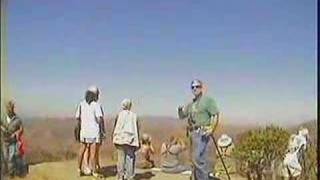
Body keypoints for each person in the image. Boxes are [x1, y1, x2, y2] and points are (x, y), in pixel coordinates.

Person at [178, 79, 220, 180]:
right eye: (192, 87)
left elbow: (215, 114)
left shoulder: (208, 100)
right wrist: (180, 110)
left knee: (198, 158)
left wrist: (212, 128)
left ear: (201, 88)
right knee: (195, 159)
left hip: (203, 132)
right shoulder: (191, 104)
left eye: (197, 86)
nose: (195, 89)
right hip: (193, 133)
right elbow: (182, 116)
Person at [75, 86, 104, 177]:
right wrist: (102, 130)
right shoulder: (96, 105)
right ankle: (94, 171)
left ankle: (79, 169)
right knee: (93, 152)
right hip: (94, 131)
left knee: (82, 150)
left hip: (84, 131)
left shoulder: (81, 104)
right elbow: (99, 119)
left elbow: (78, 118)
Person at [112, 98, 140, 180]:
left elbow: (116, 126)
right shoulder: (134, 116)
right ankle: (130, 176)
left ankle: (120, 177)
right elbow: (136, 128)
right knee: (130, 158)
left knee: (120, 159)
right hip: (130, 139)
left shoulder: (119, 114)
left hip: (120, 139)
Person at [1, 101, 28, 178]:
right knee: (6, 157)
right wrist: (2, 128)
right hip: (4, 141)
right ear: (6, 109)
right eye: (8, 108)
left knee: (11, 158)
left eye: (11, 108)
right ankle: (8, 172)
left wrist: (16, 133)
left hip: (13, 142)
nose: (9, 110)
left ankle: (11, 174)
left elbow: (21, 129)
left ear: (13, 109)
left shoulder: (17, 119)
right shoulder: (3, 118)